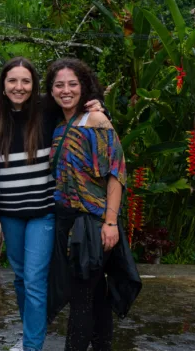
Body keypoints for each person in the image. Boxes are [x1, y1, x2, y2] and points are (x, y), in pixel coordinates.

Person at [0, 57, 105, 351]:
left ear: (34, 85)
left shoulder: (46, 112)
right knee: (19, 278)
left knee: (33, 280)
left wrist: (96, 107)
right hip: (9, 212)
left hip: (43, 212)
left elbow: (74, 99)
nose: (19, 87)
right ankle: (29, 333)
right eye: (12, 81)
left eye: (26, 81)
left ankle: (32, 346)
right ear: (3, 86)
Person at [46, 58, 130, 351]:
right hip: (66, 221)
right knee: (94, 295)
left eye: (72, 84)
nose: (66, 90)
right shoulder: (59, 126)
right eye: (59, 85)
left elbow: (116, 173)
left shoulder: (96, 121)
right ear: (52, 90)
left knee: (81, 296)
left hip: (93, 222)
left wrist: (110, 222)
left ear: (84, 87)